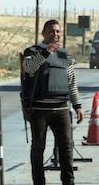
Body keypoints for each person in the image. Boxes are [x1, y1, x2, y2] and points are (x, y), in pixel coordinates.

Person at [22, 19, 84, 185]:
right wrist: (45, 53)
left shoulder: (65, 55)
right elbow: (28, 68)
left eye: (57, 31)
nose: (55, 34)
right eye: (51, 31)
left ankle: (68, 182)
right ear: (44, 33)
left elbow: (71, 82)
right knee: (38, 150)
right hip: (39, 110)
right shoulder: (32, 51)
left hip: (62, 109)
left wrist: (77, 106)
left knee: (66, 150)